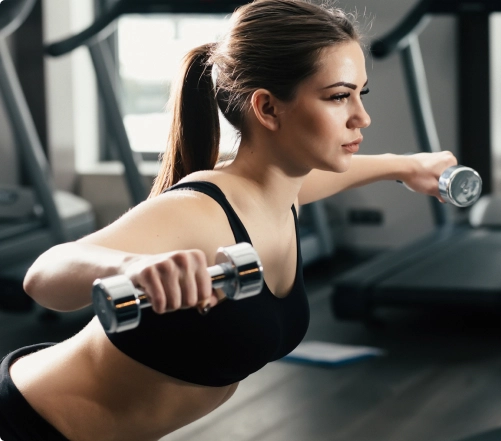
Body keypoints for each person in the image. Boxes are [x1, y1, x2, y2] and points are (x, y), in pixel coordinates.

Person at [0, 1, 458, 440]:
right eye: (339, 96)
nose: (362, 116)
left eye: (361, 94)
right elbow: (43, 277)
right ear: (267, 108)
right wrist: (128, 268)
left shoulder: (281, 193)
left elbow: (332, 178)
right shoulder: (202, 212)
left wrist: (404, 165)